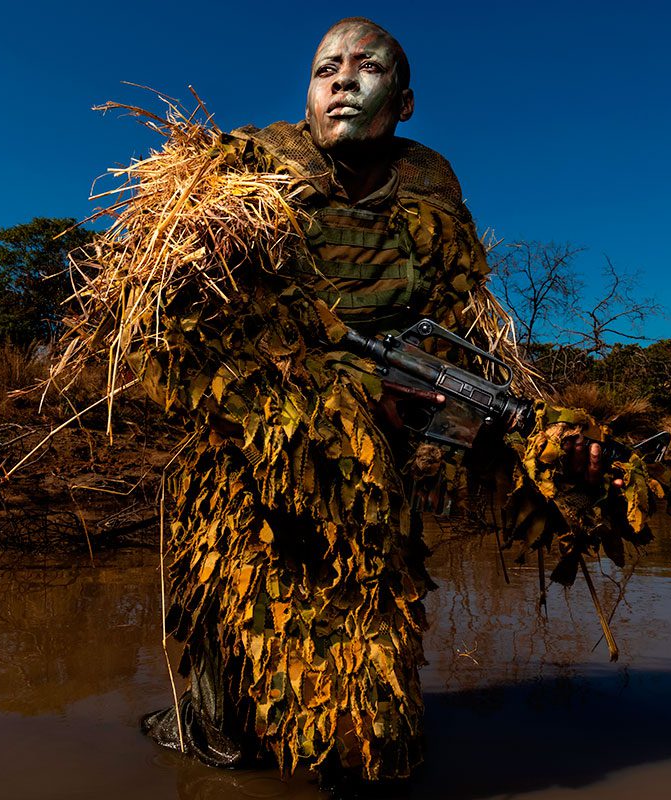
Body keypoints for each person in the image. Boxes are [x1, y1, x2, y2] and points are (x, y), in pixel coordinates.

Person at [138, 17, 497, 783]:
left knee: (365, 641)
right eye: (326, 67)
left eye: (367, 68)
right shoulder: (247, 172)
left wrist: (452, 420)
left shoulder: (432, 191)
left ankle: (358, 755)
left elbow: (456, 336)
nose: (342, 79)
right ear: (306, 95)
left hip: (375, 457)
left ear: (403, 100)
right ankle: (218, 728)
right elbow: (171, 330)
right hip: (249, 450)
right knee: (234, 628)